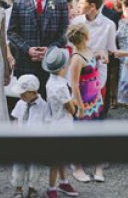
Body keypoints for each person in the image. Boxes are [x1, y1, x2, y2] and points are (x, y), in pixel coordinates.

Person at [8, 0, 69, 98]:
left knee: (50, 101)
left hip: (51, 62)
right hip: (25, 62)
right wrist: (27, 49)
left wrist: (50, 49)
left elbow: (65, 32)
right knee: (28, 103)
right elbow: (12, 32)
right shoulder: (19, 3)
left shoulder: (60, 2)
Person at [66, 23, 105, 183]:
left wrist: (100, 55)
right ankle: (77, 165)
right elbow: (74, 84)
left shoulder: (87, 50)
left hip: (95, 98)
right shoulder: (76, 58)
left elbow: (92, 57)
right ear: (85, 37)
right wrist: (80, 107)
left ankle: (98, 163)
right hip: (83, 101)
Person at [42, 48, 79, 198]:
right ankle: (51, 188)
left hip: (53, 121)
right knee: (56, 160)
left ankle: (63, 181)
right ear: (64, 67)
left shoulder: (51, 81)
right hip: (62, 124)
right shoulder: (61, 87)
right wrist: (75, 104)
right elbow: (70, 109)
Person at [10, 74, 49, 198]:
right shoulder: (20, 103)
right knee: (18, 166)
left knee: (34, 167)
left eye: (23, 94)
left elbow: (47, 124)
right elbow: (15, 118)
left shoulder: (44, 106)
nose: (20, 96)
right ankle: (18, 188)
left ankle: (33, 188)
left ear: (33, 92)